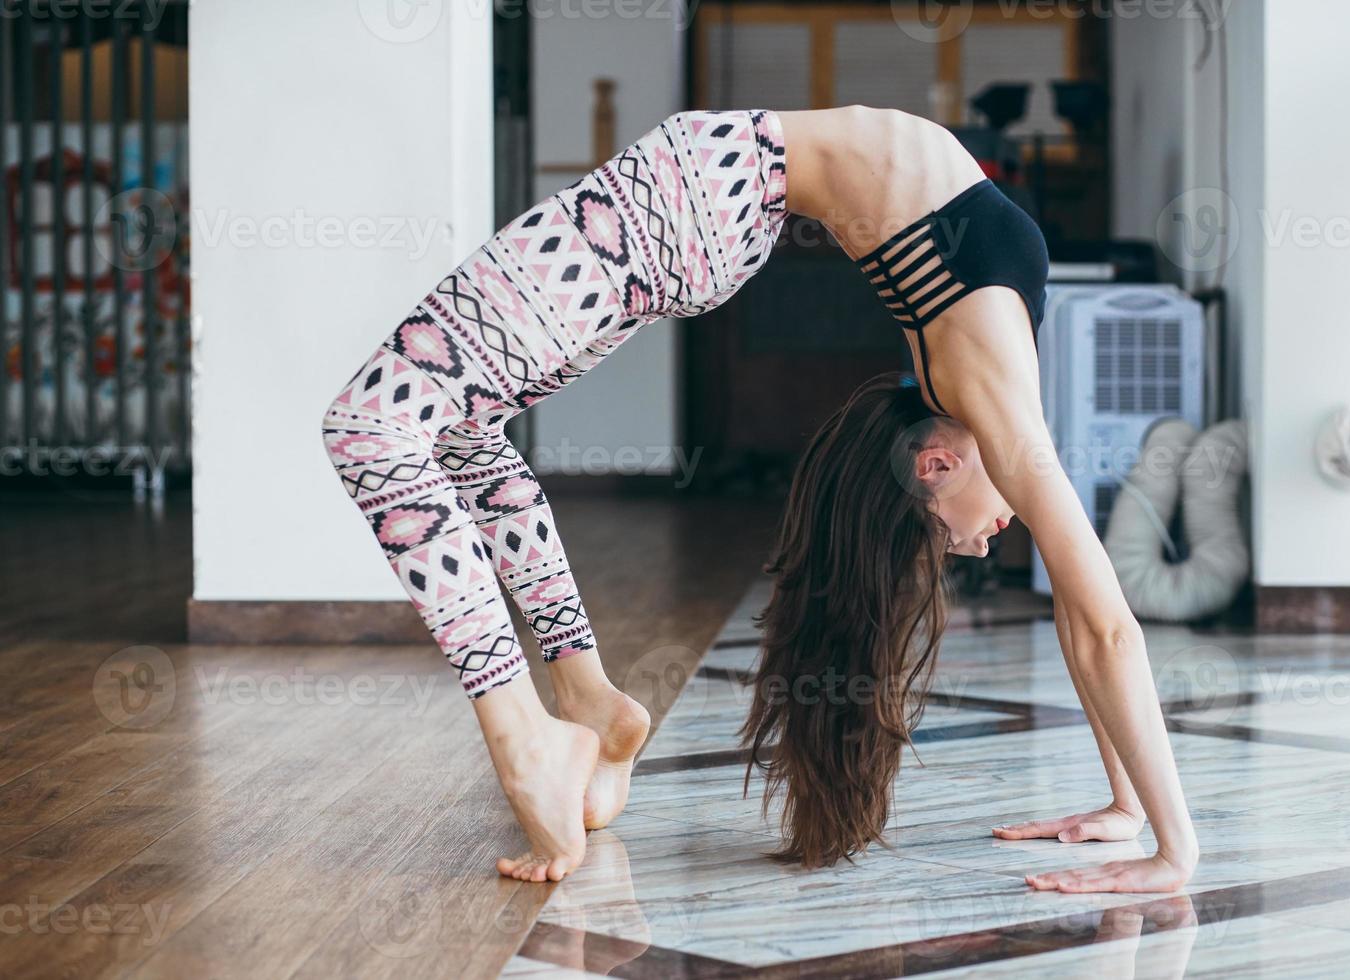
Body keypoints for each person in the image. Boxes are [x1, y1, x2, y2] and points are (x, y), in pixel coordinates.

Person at [322, 105, 1197, 892]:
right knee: (454, 425)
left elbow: (1095, 625)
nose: (979, 544)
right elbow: (1098, 625)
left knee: (371, 426)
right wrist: (1155, 833)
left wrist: (1150, 829)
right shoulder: (993, 396)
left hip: (712, 190)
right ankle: (584, 697)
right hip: (715, 193)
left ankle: (527, 731)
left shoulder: (980, 387)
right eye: (962, 541)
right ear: (935, 468)